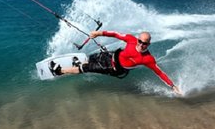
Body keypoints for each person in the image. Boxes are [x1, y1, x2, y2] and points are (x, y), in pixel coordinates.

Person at [49, 30, 182, 95]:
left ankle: (58, 71)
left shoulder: (148, 59)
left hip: (113, 68)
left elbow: (159, 73)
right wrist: (99, 33)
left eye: (145, 44)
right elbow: (115, 34)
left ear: (149, 44)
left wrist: (173, 86)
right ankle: (80, 64)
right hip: (111, 56)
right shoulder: (130, 39)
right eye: (140, 42)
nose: (142, 45)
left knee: (86, 68)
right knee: (90, 58)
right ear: (137, 40)